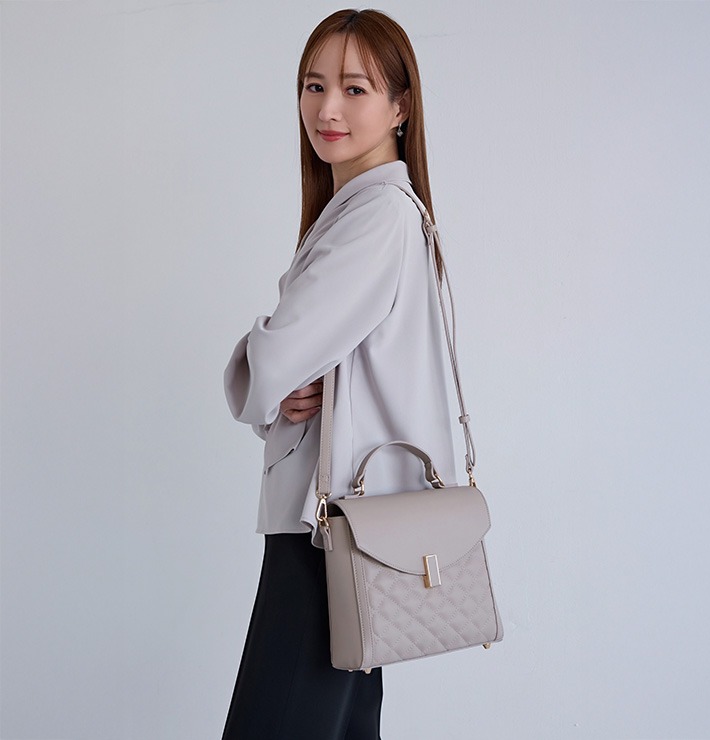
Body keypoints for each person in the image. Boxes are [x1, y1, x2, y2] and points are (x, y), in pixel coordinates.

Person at [221, 8, 459, 739]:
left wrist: (262, 367)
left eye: (355, 89)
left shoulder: (377, 215)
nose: (327, 109)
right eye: (313, 85)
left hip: (325, 534)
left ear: (400, 106)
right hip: (356, 530)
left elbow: (272, 361)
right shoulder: (372, 210)